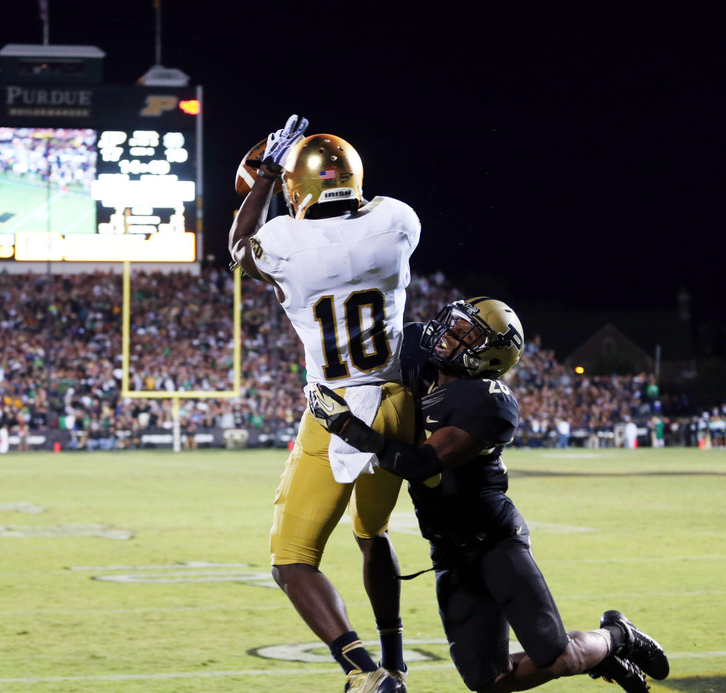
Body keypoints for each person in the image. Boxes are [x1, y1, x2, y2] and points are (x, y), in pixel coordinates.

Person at [308, 297, 669, 693]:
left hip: (492, 540)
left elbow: (421, 463)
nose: (448, 334)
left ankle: (616, 635)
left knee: (556, 656)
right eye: (454, 323)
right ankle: (602, 656)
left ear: (489, 357)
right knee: (488, 681)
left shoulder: (487, 401)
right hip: (447, 550)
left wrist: (347, 426)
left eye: (466, 334)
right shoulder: (417, 358)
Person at [229, 115, 421, 693]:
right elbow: (354, 217)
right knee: (373, 535)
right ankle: (396, 658)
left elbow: (239, 246)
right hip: (398, 404)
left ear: (299, 188)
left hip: (336, 410)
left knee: (291, 559)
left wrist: (267, 175)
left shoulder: (286, 244)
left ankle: (364, 671)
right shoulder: (396, 221)